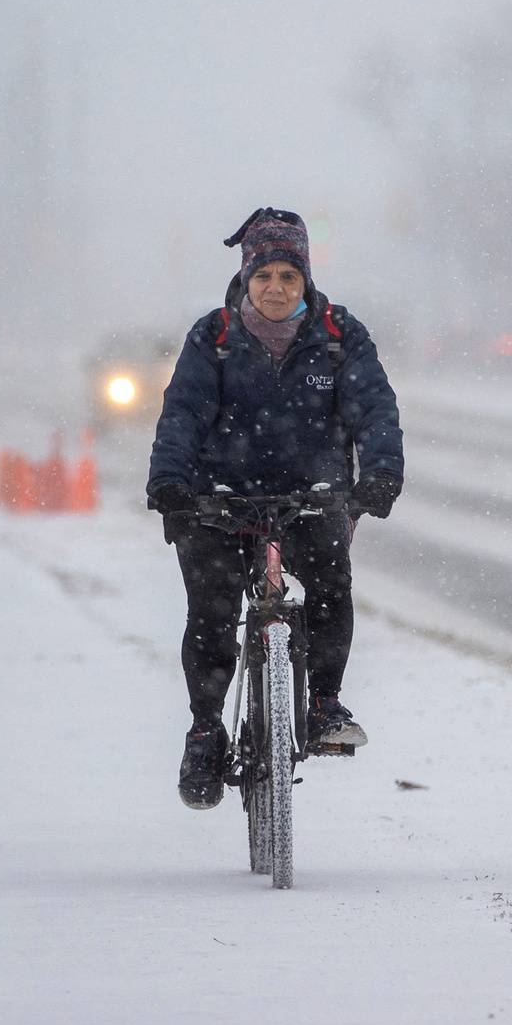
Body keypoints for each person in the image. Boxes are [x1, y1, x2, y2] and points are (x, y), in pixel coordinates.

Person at [147, 207, 404, 810]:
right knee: (211, 611)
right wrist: (171, 483)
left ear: (305, 281)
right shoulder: (211, 337)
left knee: (330, 587)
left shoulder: (341, 336)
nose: (276, 289)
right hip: (221, 498)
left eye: (289, 277)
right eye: (265, 277)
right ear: (246, 278)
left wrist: (382, 473)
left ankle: (323, 704)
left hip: (314, 494)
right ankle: (206, 730)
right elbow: (182, 413)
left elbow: (375, 408)